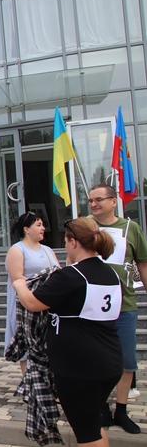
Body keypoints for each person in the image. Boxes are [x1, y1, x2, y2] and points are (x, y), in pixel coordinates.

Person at [12, 217, 123, 447]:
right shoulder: (111, 274)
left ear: (73, 242)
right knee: (94, 424)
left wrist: (19, 284)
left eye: (66, 241)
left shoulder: (71, 275)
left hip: (80, 367)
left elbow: (32, 302)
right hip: (108, 360)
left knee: (86, 431)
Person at [88, 183, 147, 434]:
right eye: (90, 200)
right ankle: (100, 407)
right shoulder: (86, 228)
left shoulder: (131, 229)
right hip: (92, 307)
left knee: (126, 360)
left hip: (125, 305)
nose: (94, 204)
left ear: (114, 201)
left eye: (99, 199)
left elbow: (142, 263)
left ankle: (121, 410)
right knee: (97, 360)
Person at [4, 212, 59, 373]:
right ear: (27, 229)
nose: (43, 228)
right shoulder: (17, 250)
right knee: (27, 344)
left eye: (42, 225)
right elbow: (18, 278)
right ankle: (30, 384)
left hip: (47, 303)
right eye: (38, 225)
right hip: (26, 303)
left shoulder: (48, 250)